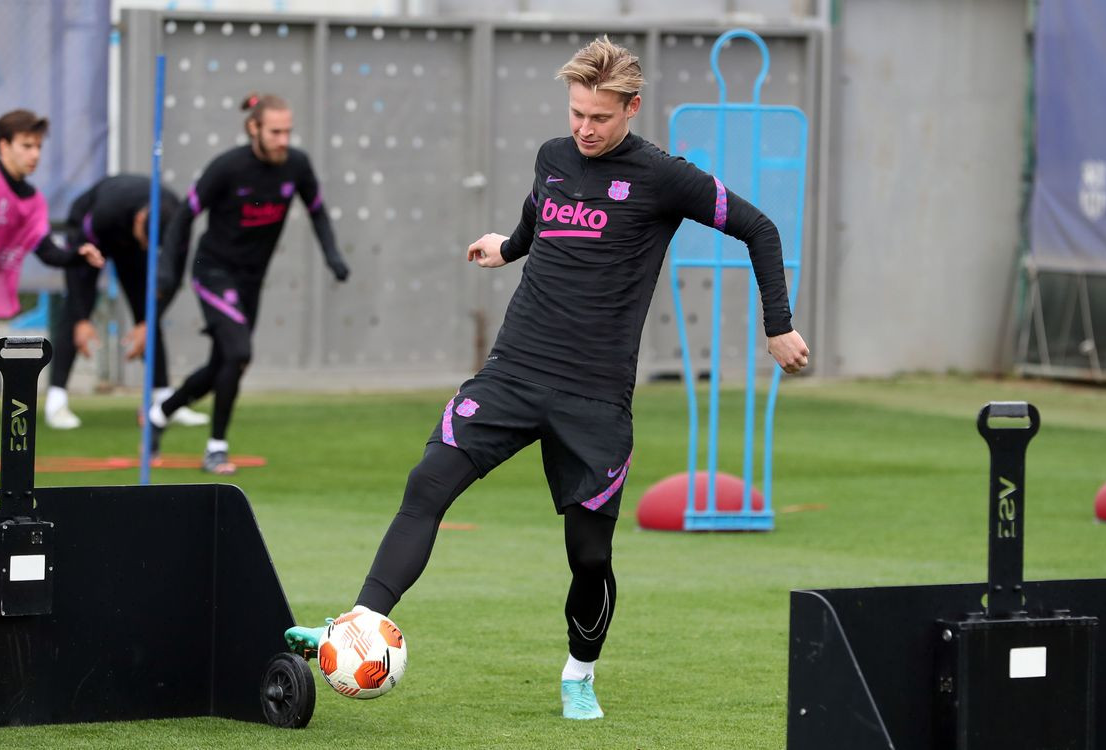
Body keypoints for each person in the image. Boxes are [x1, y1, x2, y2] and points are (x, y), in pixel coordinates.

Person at [285, 37, 810, 720]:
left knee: (589, 557)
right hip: (514, 371)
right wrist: (508, 246)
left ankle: (580, 673)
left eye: (599, 116)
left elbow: (760, 228)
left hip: (594, 399)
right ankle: (358, 622)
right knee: (427, 483)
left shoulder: (663, 176)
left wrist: (778, 325)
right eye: (576, 114)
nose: (585, 130)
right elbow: (543, 213)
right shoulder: (554, 157)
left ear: (631, 107)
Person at [154, 92, 349, 474]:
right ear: (253, 128)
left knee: (224, 365)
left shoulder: (297, 166)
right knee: (239, 352)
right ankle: (216, 448)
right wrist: (167, 268)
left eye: (287, 132)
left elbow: (318, 212)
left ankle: (161, 412)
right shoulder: (227, 167)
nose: (283, 141)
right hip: (212, 270)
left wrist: (333, 256)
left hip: (251, 279)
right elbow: (184, 217)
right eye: (275, 132)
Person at [0, 109, 104, 449]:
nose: (35, 154)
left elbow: (47, 251)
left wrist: (77, 254)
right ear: (3, 145)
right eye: (26, 145)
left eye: (38, 146)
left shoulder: (32, 201)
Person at [44, 174, 208, 430]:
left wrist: (148, 323)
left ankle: (164, 399)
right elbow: (76, 265)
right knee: (76, 313)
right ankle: (56, 400)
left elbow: (173, 278)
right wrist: (81, 318)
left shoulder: (177, 221)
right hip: (91, 236)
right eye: (147, 238)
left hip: (128, 243)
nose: (148, 245)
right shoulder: (108, 211)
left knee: (148, 313)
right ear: (141, 219)